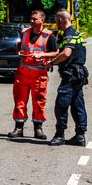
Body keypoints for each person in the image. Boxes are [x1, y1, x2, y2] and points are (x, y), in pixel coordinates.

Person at [41, 10, 88, 146]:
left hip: (71, 75)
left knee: (61, 105)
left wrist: (52, 62)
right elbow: (61, 52)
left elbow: (66, 53)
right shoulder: (74, 33)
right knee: (77, 105)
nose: (56, 23)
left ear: (61, 19)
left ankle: (60, 135)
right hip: (78, 75)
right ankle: (80, 136)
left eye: (56, 20)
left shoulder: (69, 34)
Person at [8, 10, 57, 140]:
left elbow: (56, 52)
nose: (32, 21)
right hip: (23, 73)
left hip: (39, 74)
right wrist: (19, 53)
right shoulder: (24, 32)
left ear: (42, 20)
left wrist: (42, 55)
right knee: (19, 100)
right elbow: (18, 47)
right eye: (31, 18)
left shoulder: (49, 36)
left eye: (35, 19)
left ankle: (38, 129)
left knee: (39, 101)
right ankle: (18, 128)